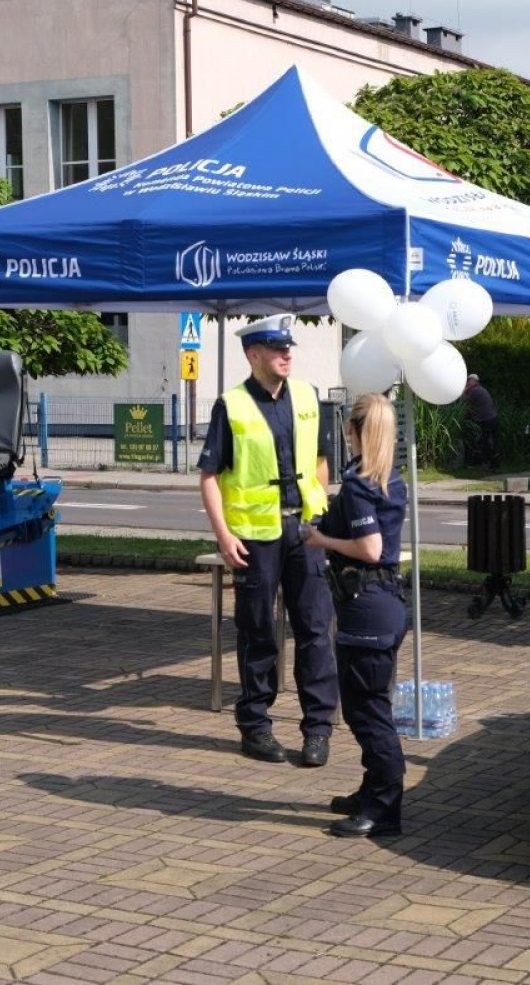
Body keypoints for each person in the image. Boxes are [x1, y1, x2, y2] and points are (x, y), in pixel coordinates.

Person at [198, 314, 337, 767]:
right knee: (257, 632)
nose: (287, 355)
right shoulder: (231, 405)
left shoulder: (306, 396)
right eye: (277, 348)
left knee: (315, 629)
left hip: (305, 531)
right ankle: (255, 725)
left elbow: (319, 460)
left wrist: (319, 510)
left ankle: (318, 728)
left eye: (289, 347)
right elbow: (209, 477)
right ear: (252, 354)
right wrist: (223, 535)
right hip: (256, 536)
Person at [303, 392, 408, 839]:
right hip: (380, 606)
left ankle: (385, 808)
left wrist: (322, 542)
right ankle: (373, 789)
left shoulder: (363, 484)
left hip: (368, 608)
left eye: (348, 429)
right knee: (364, 707)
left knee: (369, 713)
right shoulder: (389, 480)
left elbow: (370, 549)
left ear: (357, 432)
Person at [461, 373, 500, 468]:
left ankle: (485, 463)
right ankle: (493, 465)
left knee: (483, 442)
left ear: (475, 381)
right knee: (492, 442)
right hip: (493, 418)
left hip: (487, 420)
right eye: (467, 380)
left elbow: (463, 401)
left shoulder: (474, 391)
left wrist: (464, 390)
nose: (467, 382)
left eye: (469, 380)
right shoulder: (480, 389)